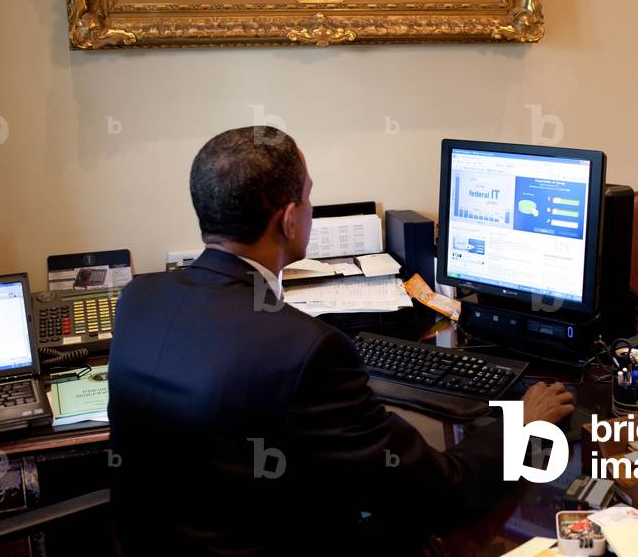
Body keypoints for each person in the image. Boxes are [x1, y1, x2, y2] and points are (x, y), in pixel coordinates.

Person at [107, 126, 575, 555]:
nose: (310, 208)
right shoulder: (306, 349)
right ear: (289, 220)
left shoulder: (139, 299)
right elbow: (442, 494)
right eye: (310, 197)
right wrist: (524, 426)